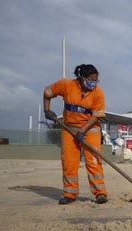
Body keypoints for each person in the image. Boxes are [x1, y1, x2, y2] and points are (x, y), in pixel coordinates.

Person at [43, 64, 108, 205]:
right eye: (91, 81)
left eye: (96, 81)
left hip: (90, 129)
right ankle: (70, 193)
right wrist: (47, 110)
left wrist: (82, 131)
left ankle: (100, 193)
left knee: (93, 160)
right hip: (68, 128)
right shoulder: (66, 85)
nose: (93, 84)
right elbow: (47, 93)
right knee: (69, 162)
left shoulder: (98, 93)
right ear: (81, 78)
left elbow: (96, 116)